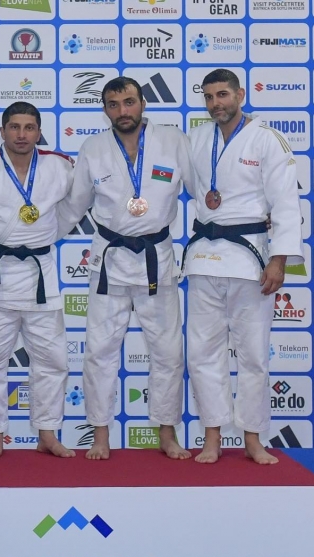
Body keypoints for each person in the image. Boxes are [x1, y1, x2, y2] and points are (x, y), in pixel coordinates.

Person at [58, 76, 194, 461]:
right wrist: (34, 238)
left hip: (157, 259)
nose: (123, 111)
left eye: (129, 102)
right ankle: (100, 434)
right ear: (105, 110)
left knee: (168, 351)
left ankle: (166, 431)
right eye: (114, 105)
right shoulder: (94, 148)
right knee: (100, 351)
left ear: (143, 103)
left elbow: (203, 191)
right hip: (110, 261)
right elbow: (74, 206)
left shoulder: (173, 141)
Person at [183, 68, 303, 465]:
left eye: (222, 94)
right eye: (209, 97)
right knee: (202, 353)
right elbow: (191, 189)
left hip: (250, 258)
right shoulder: (196, 139)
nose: (216, 103)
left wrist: (279, 260)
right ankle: (212, 436)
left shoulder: (267, 139)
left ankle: (253, 438)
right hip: (204, 256)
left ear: (240, 95)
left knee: (253, 355)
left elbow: (285, 204)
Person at [0, 102, 75, 458]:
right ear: (2, 131)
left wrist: (46, 237)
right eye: (14, 127)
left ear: (39, 132)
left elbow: (73, 208)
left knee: (52, 360)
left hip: (41, 274)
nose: (22, 134)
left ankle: (48, 432)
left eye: (29, 127)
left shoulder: (60, 166)